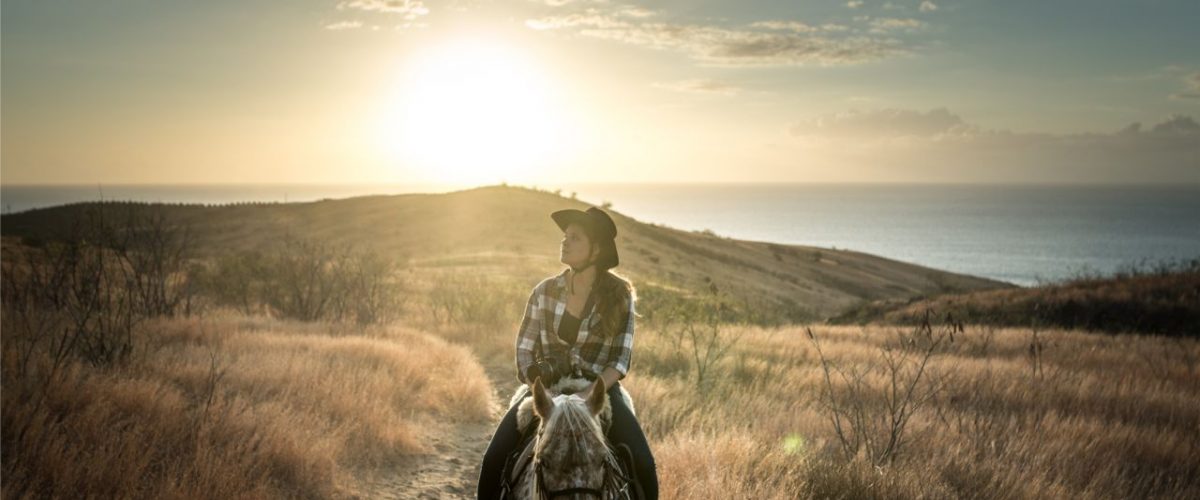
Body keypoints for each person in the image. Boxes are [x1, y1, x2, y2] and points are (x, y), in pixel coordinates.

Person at [477, 206, 658, 500]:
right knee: (493, 459)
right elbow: (524, 353)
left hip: (600, 392)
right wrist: (541, 385)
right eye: (565, 236)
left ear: (596, 250)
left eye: (575, 237)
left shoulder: (620, 295)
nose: (565, 241)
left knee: (643, 463)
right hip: (547, 391)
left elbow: (620, 361)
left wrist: (586, 397)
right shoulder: (543, 292)